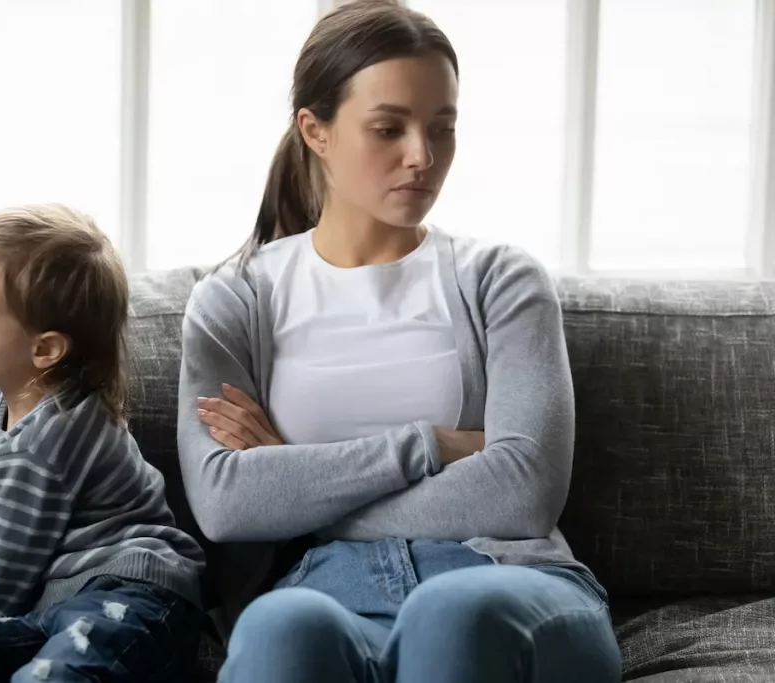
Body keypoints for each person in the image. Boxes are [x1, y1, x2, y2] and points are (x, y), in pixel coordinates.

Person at [176, 1, 622, 681]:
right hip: (329, 588)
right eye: (389, 128)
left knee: (450, 612)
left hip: (504, 580)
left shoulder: (502, 279)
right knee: (276, 625)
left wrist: (302, 480)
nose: (423, 156)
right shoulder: (235, 298)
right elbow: (228, 503)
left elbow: (523, 492)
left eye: (442, 128)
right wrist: (435, 444)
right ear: (315, 130)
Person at [0, 204, 206, 683]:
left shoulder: (45, 443)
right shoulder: (15, 403)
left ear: (45, 349)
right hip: (54, 608)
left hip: (135, 598)